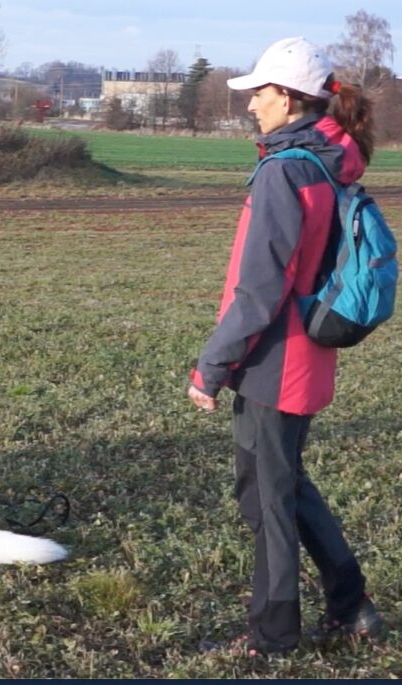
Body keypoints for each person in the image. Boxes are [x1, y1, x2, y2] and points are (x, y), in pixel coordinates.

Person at [188, 37, 383, 656]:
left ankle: (273, 637)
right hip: (302, 356)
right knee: (279, 486)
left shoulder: (286, 170)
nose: (250, 105)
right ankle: (351, 606)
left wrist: (210, 367)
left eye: (259, 93)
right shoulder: (326, 163)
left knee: (269, 499)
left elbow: (259, 289)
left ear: (290, 97)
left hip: (277, 359)